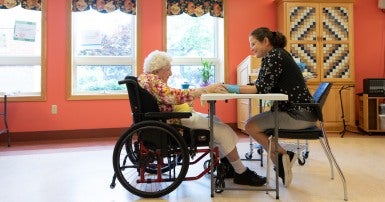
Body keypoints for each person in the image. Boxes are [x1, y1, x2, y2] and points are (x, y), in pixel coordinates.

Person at [138, 50, 267, 186]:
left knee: (215, 120)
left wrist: (201, 91)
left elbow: (169, 96)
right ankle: (241, 173)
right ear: (158, 70)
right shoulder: (153, 80)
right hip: (173, 121)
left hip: (168, 119)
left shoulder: (146, 79)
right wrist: (205, 90)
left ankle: (227, 166)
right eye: (168, 70)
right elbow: (173, 96)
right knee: (223, 131)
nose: (170, 73)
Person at [225, 27, 318, 187]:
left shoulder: (274, 56)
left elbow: (259, 88)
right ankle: (282, 159)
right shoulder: (279, 54)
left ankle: (282, 156)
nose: (251, 47)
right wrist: (236, 87)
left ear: (266, 41)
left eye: (253, 43)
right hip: (304, 113)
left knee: (250, 125)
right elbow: (262, 86)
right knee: (251, 124)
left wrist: (230, 88)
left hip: (298, 115)